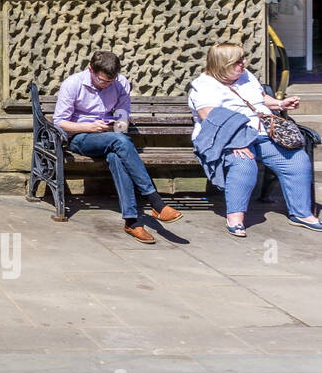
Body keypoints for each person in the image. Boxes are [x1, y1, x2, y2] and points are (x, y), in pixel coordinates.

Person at [189, 41, 320, 237]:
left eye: (243, 58)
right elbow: (211, 118)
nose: (244, 63)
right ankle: (235, 217)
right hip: (228, 137)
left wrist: (279, 103)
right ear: (222, 64)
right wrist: (235, 142)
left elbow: (259, 99)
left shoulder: (246, 76)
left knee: (297, 161)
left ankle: (301, 213)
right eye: (238, 60)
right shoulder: (203, 86)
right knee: (244, 164)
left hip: (262, 134)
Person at [54, 50, 182, 244]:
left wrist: (118, 126)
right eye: (102, 80)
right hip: (80, 137)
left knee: (117, 154)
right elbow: (60, 122)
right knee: (119, 142)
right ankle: (155, 200)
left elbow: (123, 116)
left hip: (110, 136)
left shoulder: (120, 83)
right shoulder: (73, 84)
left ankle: (132, 221)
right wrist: (88, 127)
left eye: (110, 81)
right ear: (91, 70)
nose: (107, 85)